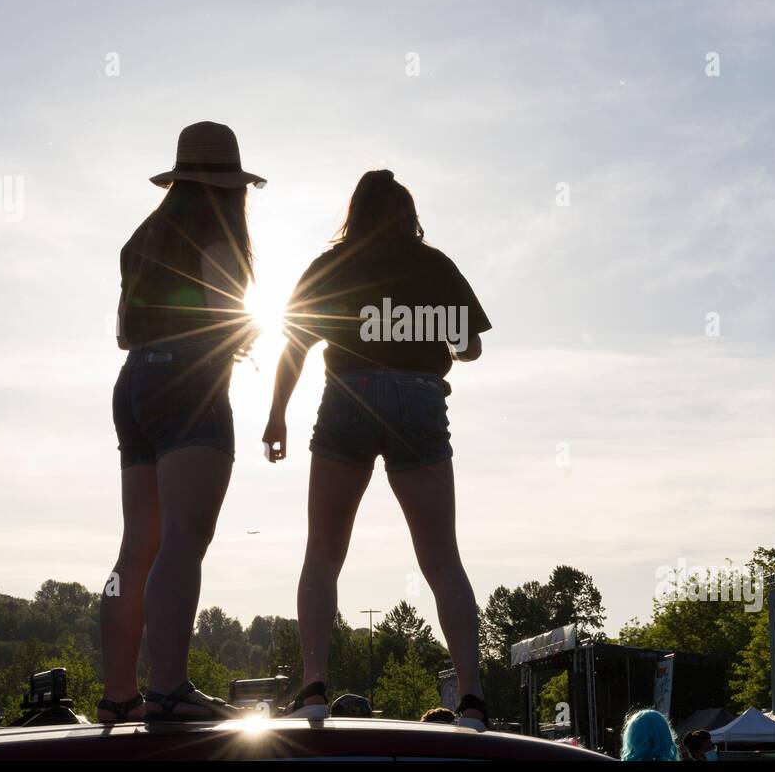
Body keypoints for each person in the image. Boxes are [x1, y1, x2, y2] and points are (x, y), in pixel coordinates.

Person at [262, 170, 491, 729]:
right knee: (442, 559)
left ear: (355, 213)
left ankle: (314, 687)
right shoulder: (434, 264)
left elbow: (295, 343)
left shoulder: (330, 265)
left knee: (323, 553)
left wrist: (276, 415)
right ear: (408, 215)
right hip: (417, 400)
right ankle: (473, 702)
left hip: (349, 395)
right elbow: (472, 348)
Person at [97, 121, 262, 723]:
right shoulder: (217, 231)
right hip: (190, 387)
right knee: (182, 544)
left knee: (136, 548)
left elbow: (122, 332)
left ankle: (120, 696)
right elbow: (228, 317)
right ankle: (168, 690)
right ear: (231, 185)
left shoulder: (141, 237)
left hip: (134, 381)